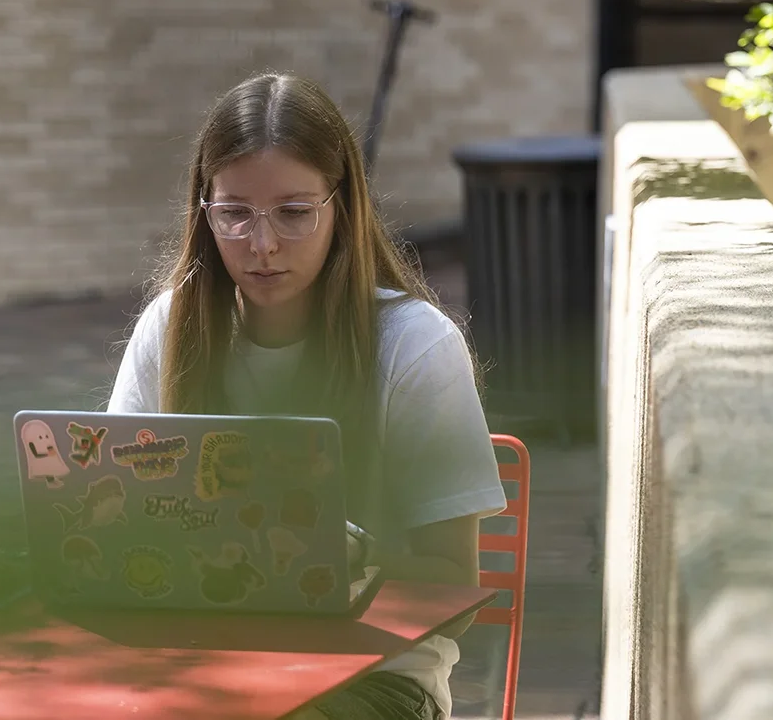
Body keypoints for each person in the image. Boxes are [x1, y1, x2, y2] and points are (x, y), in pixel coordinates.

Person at [107, 72, 507, 720]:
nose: (262, 245)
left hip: (376, 683)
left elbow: (453, 594)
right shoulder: (169, 326)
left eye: (294, 213)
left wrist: (348, 555)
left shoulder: (414, 346)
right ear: (203, 211)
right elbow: (115, 510)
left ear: (340, 209)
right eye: (234, 213)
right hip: (200, 669)